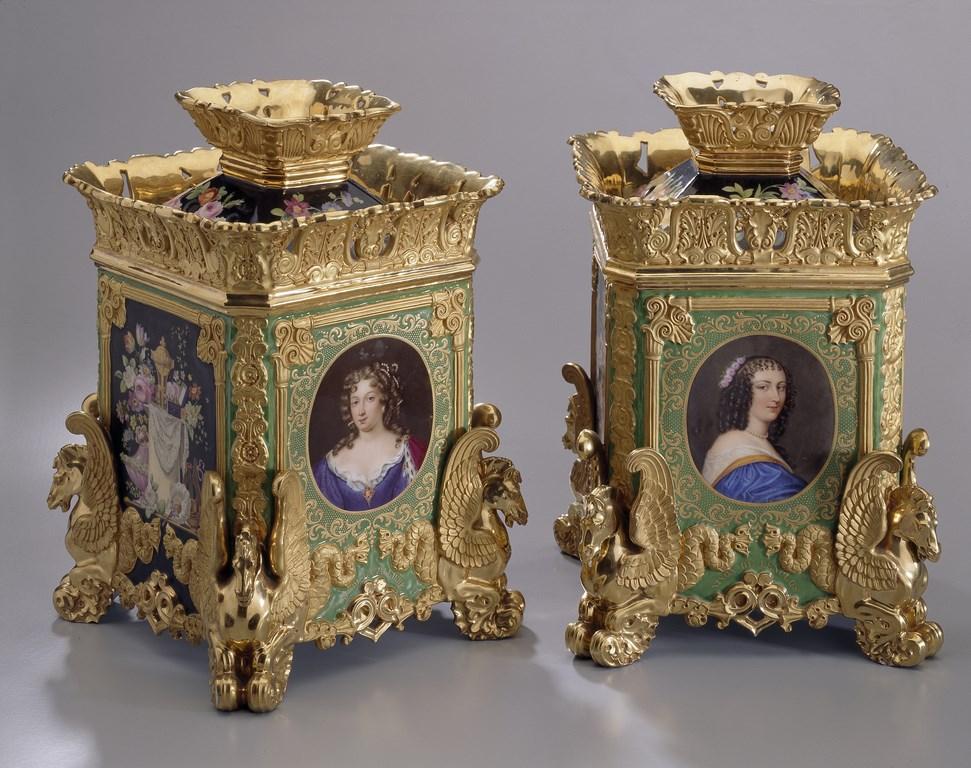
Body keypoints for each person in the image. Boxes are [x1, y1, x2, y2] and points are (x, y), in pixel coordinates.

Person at [313, 361, 426, 510]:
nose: (361, 411)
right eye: (355, 402)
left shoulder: (410, 451)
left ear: (384, 402)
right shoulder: (330, 466)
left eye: (370, 398)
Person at [701, 355, 806, 503]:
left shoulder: (759, 441)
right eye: (763, 387)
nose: (776, 397)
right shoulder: (738, 450)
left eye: (781, 387)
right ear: (743, 391)